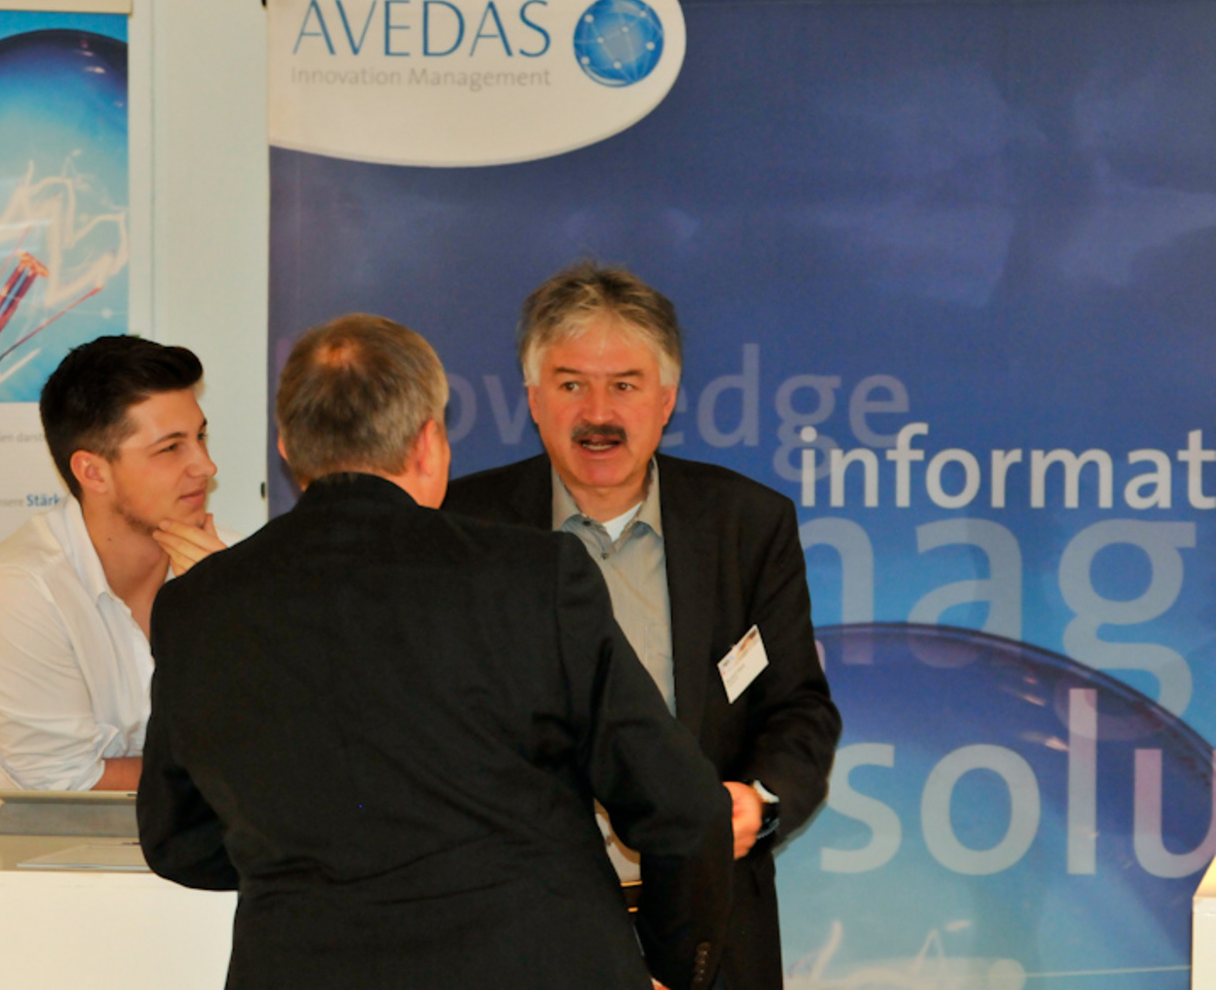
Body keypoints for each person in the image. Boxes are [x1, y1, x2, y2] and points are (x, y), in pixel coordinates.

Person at [138, 314, 732, 990]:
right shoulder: (535, 577)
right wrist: (672, 968)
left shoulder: (197, 604)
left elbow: (177, 839)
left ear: (287, 445)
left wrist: (318, 862)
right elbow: (685, 812)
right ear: (428, 442)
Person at [442, 262, 842, 990]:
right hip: (514, 937)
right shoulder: (458, 528)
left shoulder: (746, 525)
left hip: (710, 935)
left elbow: (799, 709)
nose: (597, 413)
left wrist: (758, 799)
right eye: (571, 385)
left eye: (624, 385)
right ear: (532, 399)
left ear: (666, 400)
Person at [0, 335, 229, 816]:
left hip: (203, 857)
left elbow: (296, 735)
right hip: (49, 859)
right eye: (170, 448)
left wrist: (233, 609)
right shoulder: (23, 589)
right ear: (93, 473)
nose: (205, 466)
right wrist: (227, 771)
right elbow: (63, 784)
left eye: (200, 437)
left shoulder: (232, 564)